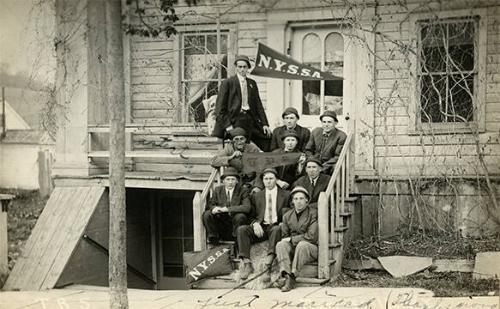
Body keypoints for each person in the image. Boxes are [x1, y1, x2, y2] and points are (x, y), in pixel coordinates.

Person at [236, 168, 291, 280]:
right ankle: (247, 264)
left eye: (271, 178)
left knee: (276, 229)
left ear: (276, 180)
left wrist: (283, 223)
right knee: (242, 230)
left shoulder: (286, 195)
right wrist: (255, 223)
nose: (268, 181)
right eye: (266, 179)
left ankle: (267, 265)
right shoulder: (257, 196)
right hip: (262, 226)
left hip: (277, 225)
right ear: (263, 181)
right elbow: (251, 215)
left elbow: (290, 212)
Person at [212, 55, 272, 151]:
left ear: (248, 68)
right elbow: (219, 108)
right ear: (236, 68)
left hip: (249, 118)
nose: (242, 69)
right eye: (240, 67)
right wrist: (228, 125)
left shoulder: (252, 83)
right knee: (240, 143)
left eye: (245, 67)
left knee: (267, 138)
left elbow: (258, 105)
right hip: (234, 119)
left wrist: (265, 124)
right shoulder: (228, 83)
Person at [275, 186, 318, 292]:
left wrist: (291, 240)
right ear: (292, 201)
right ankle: (287, 275)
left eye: (301, 198)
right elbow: (285, 237)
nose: (299, 202)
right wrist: (288, 241)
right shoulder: (287, 216)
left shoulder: (313, 213)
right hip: (295, 248)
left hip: (310, 248)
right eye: (296, 199)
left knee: (302, 244)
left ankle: (293, 275)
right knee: (280, 244)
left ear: (307, 200)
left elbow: (311, 236)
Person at [202, 167, 251, 246]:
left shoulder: (243, 190)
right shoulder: (218, 190)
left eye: (233, 179)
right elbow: (210, 204)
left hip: (235, 225)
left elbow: (247, 207)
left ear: (237, 181)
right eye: (228, 179)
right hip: (221, 224)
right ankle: (213, 240)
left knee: (240, 216)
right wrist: (214, 208)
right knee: (207, 214)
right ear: (223, 181)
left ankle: (237, 242)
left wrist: (227, 209)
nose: (230, 182)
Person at [305, 110, 347, 174]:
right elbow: (308, 150)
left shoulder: (341, 136)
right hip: (315, 163)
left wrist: (322, 167)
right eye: (324, 122)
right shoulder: (315, 132)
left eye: (329, 122)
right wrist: (313, 162)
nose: (326, 125)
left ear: (335, 123)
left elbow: (337, 156)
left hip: (328, 165)